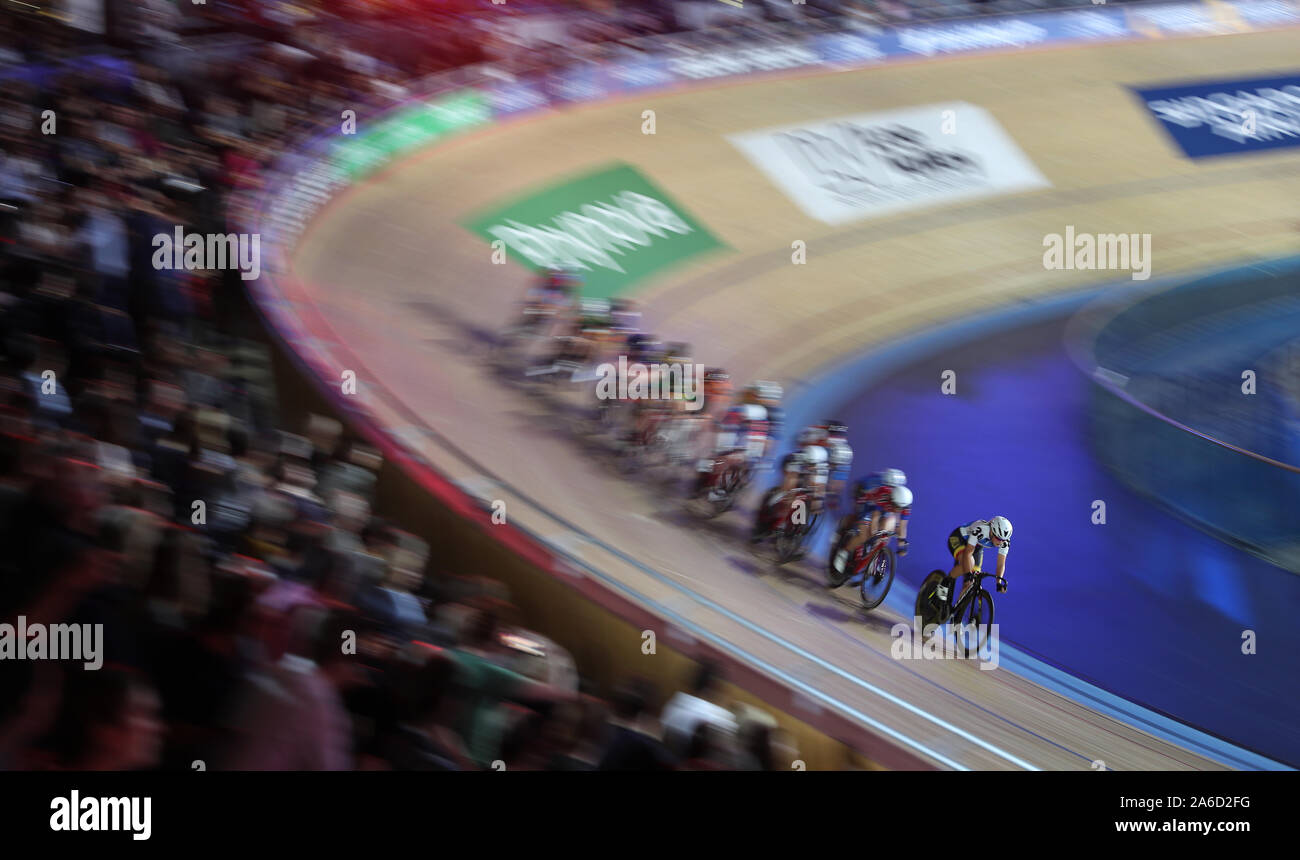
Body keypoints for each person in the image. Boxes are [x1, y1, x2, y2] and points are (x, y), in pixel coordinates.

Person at [832, 469, 912, 576]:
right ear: (892, 499)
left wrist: (901, 543)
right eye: (897, 506)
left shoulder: (905, 505)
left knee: (886, 533)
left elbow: (902, 526)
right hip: (868, 505)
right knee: (864, 535)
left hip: (885, 509)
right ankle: (844, 553)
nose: (898, 509)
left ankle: (874, 559)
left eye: (900, 508)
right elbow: (875, 517)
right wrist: (874, 533)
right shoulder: (883, 495)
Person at [937, 516, 1011, 610]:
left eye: (1003, 540)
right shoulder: (981, 529)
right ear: (992, 531)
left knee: (971, 583)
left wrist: (998, 582)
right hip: (959, 539)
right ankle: (946, 581)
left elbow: (1001, 563)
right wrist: (968, 573)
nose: (1000, 542)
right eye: (998, 538)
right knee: (969, 566)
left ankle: (956, 613)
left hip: (976, 547)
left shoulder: (1004, 540)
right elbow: (968, 552)